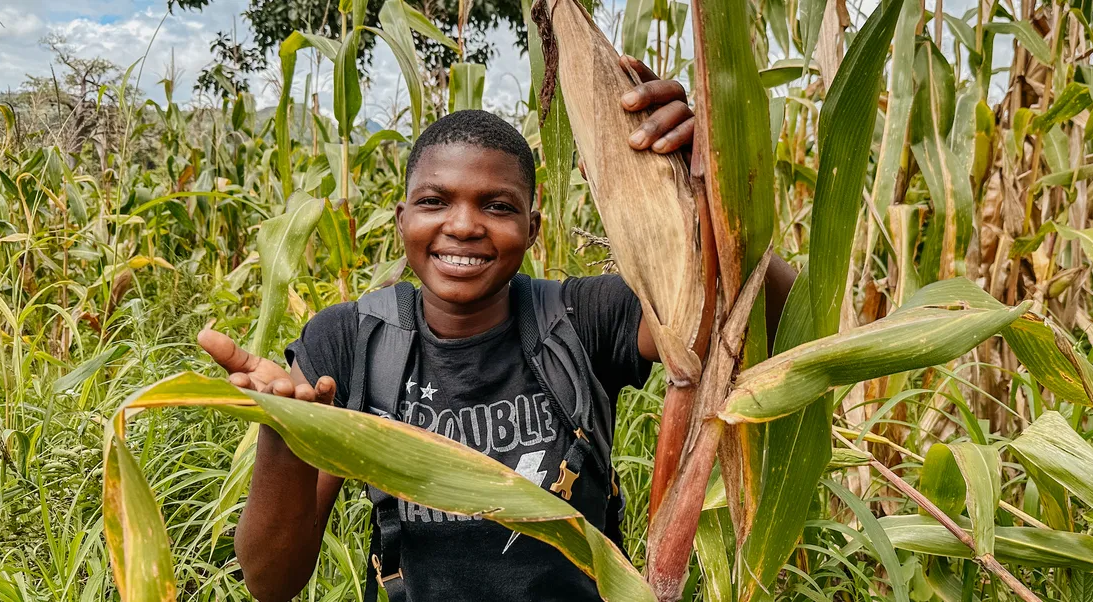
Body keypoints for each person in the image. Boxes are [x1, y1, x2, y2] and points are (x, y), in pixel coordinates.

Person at [196, 56, 796, 602]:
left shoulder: (585, 319)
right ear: (402, 219)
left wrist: (708, 195)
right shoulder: (350, 341)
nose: (463, 225)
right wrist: (284, 430)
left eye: (498, 206)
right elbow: (271, 582)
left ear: (533, 228)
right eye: (434, 201)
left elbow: (778, 318)